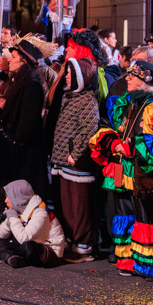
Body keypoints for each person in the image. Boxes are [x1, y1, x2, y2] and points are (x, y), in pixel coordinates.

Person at [91, 61, 153, 280]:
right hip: (122, 171)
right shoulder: (126, 102)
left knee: (147, 216)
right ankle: (129, 260)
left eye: (133, 76)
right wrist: (112, 143)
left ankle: (151, 266)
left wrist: (132, 146)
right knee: (124, 214)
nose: (127, 79)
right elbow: (107, 126)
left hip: (146, 173)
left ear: (146, 81)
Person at [49, 57, 100, 263]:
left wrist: (75, 152)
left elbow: (89, 130)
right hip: (63, 159)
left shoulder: (88, 100)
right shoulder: (69, 96)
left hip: (75, 162)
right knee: (67, 203)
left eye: (70, 73)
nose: (67, 76)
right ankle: (73, 238)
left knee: (79, 205)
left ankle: (84, 243)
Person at [0, 39, 48, 197]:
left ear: (24, 62)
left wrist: (13, 139)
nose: (9, 59)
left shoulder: (32, 85)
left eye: (14, 57)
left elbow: (27, 124)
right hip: (17, 151)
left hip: (25, 154)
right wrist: (5, 107)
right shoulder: (19, 82)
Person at [0, 180, 66, 269]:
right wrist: (9, 221)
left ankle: (4, 254)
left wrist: (13, 218)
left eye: (8, 197)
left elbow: (24, 238)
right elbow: (0, 234)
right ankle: (9, 257)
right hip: (30, 242)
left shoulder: (40, 212)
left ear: (18, 198)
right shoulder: (20, 208)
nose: (5, 200)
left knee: (28, 245)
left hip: (48, 252)